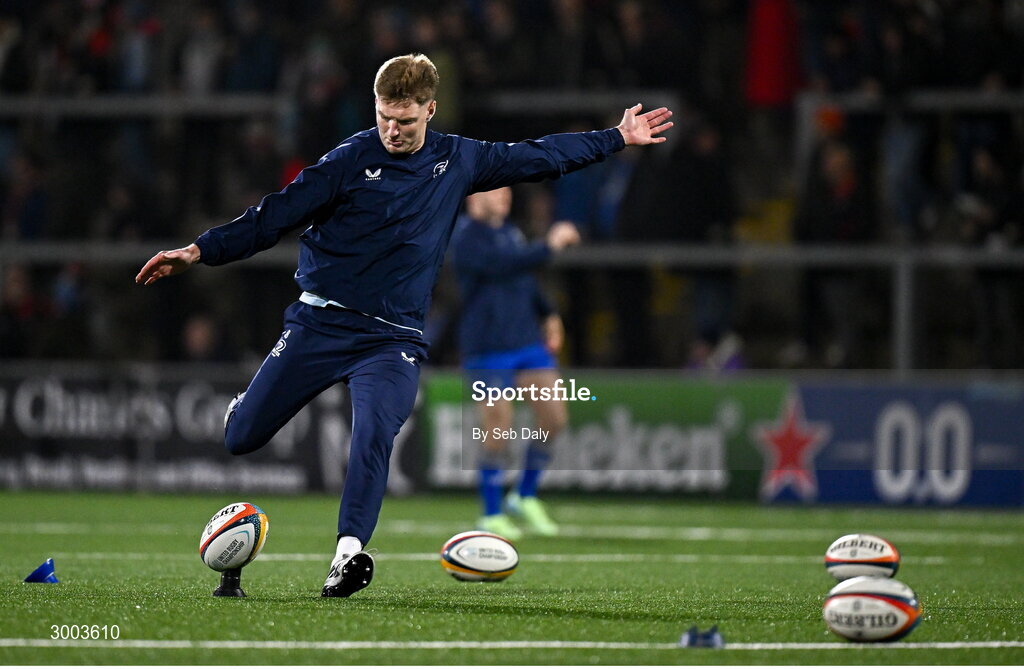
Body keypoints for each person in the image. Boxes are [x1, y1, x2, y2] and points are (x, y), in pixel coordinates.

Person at [135, 53, 672, 598]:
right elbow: (274, 215)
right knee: (240, 438)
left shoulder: (458, 159)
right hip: (320, 323)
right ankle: (243, 410)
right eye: (384, 117)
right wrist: (201, 250)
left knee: (373, 433)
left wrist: (616, 137)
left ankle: (347, 556)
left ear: (430, 110)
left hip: (392, 339)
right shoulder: (347, 160)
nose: (392, 130)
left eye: (406, 120)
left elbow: (539, 156)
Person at [451, 187, 579, 540]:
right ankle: (491, 512)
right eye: (496, 191)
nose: (505, 196)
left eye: (507, 191)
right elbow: (504, 266)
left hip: (526, 341)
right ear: (474, 198)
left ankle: (523, 495)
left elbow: (524, 278)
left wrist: (549, 313)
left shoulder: (510, 232)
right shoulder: (464, 236)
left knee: (554, 418)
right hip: (488, 346)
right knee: (498, 430)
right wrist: (549, 245)